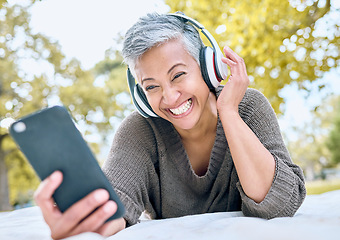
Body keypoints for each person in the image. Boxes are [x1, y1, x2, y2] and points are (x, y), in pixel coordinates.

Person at [34, 12, 306, 239]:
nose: (169, 97)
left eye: (178, 75)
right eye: (151, 86)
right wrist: (87, 223)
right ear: (141, 94)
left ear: (208, 68)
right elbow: (118, 207)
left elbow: (278, 206)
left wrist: (229, 112)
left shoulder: (248, 106)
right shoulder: (140, 130)